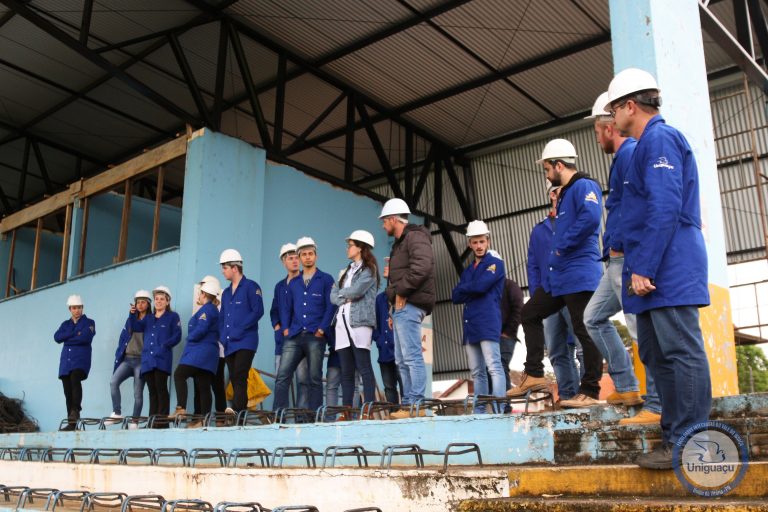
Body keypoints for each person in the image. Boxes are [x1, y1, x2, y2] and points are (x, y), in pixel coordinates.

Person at [606, 68, 711, 469]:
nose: (612, 118)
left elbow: (665, 207)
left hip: (667, 266)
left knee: (681, 352)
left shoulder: (661, 139)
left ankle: (690, 443)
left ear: (630, 105)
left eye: (615, 109)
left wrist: (644, 267)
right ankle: (674, 439)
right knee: (656, 352)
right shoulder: (643, 145)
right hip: (648, 268)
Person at [583, 91, 662, 424]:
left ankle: (656, 404)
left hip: (625, 259)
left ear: (607, 127)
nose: (598, 135)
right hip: (614, 261)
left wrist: (628, 252)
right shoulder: (623, 158)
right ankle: (628, 385)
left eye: (597, 129)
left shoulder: (629, 153)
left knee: (640, 329)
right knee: (593, 318)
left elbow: (638, 206)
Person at [509, 139, 604, 408]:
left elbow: (591, 219)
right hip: (559, 279)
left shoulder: (584, 185)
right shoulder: (565, 195)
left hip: (578, 275)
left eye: (547, 168)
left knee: (583, 330)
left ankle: (591, 390)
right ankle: (534, 373)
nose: (546, 173)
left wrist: (560, 247)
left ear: (559, 164)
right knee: (529, 313)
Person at [523, 186, 582, 401]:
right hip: (548, 295)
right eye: (555, 191)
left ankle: (586, 394)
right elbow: (533, 266)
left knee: (582, 345)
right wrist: (537, 293)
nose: (558, 194)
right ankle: (568, 396)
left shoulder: (576, 221)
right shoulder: (539, 229)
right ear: (551, 194)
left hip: (572, 291)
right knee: (557, 351)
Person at [380, 198, 436, 419]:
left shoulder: (415, 237)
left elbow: (422, 266)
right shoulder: (400, 243)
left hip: (411, 303)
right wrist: (393, 305)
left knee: (411, 357)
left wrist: (401, 292)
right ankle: (409, 404)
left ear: (394, 219)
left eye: (384, 220)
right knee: (401, 360)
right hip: (401, 306)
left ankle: (417, 405)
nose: (383, 225)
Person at [275, 237, 335, 414]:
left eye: (310, 254)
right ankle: (278, 416)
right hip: (294, 335)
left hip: (315, 336)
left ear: (316, 256)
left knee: (314, 378)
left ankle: (314, 417)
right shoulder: (294, 283)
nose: (307, 257)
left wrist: (322, 329)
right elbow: (285, 309)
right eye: (304, 254)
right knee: (282, 376)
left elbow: (331, 306)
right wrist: (285, 328)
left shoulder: (325, 279)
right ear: (299, 257)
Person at [451, 220, 506, 414]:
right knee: (477, 371)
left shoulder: (495, 264)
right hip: (470, 323)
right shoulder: (469, 270)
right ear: (469, 244)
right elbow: (455, 296)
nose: (479, 246)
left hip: (487, 320)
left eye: (482, 241)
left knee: (493, 367)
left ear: (488, 241)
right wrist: (471, 287)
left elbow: (480, 287)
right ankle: (480, 411)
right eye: (475, 242)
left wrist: (467, 287)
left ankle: (499, 409)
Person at [330, 230, 379, 418]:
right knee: (346, 371)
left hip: (360, 322)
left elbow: (357, 291)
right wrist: (343, 295)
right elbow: (333, 294)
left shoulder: (369, 270)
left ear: (360, 248)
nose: (347, 249)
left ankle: (368, 410)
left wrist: (342, 294)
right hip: (342, 323)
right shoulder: (346, 271)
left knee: (364, 366)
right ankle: (347, 411)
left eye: (350, 245)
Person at [219, 248, 264, 416]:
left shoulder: (251, 287)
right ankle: (240, 411)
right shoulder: (225, 293)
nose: (223, 271)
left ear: (234, 268)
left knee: (240, 373)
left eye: (224, 267)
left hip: (246, 340)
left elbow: (257, 311)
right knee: (235, 376)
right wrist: (222, 337)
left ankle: (238, 409)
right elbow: (222, 317)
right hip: (229, 342)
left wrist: (239, 329)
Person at [172, 278, 221, 425]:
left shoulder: (207, 309)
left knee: (179, 374)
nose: (198, 296)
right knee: (203, 385)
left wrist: (189, 338)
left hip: (200, 351)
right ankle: (202, 419)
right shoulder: (212, 309)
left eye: (200, 293)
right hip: (208, 354)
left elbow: (202, 328)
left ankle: (181, 408)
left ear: (205, 295)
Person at [131, 286, 181, 426]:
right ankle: (153, 420)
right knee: (152, 391)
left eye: (162, 299)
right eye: (156, 299)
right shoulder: (148, 318)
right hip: (148, 360)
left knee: (161, 388)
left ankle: (162, 420)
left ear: (167, 301)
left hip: (162, 359)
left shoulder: (172, 316)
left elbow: (177, 335)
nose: (158, 302)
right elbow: (135, 326)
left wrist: (164, 345)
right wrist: (132, 314)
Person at [270, 243, 309, 409]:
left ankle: (302, 417)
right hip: (283, 341)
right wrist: (278, 328)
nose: (294, 261)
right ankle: (280, 416)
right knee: (281, 378)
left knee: (303, 379)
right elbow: (274, 311)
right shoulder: (279, 286)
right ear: (283, 262)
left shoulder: (306, 281)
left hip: (301, 338)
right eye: (290, 258)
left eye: (296, 258)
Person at [54, 295, 95, 431]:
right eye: (74, 308)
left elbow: (85, 338)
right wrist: (74, 333)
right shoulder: (65, 324)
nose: (76, 310)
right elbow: (57, 337)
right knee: (67, 390)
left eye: (78, 307)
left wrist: (68, 337)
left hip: (80, 360)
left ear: (82, 308)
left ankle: (76, 410)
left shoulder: (89, 322)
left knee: (75, 379)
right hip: (66, 361)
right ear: (69, 309)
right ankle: (72, 423)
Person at [109, 290, 150, 423]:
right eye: (138, 302)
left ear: (148, 304)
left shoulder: (150, 319)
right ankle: (116, 412)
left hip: (141, 361)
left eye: (143, 302)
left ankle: (135, 420)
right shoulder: (130, 319)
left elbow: (138, 326)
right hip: (127, 359)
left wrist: (131, 315)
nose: (140, 305)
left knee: (137, 393)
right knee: (113, 382)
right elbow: (123, 337)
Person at [373, 291, 401, 404]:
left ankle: (406, 412)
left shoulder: (402, 294)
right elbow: (374, 322)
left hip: (399, 350)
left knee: (404, 384)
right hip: (384, 350)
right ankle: (392, 414)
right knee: (389, 387)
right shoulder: (380, 298)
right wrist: (378, 339)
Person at [496, 276, 524, 393]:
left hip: (505, 336)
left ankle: (505, 406)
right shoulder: (485, 287)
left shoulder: (509, 285)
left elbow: (519, 309)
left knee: (500, 366)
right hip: (489, 336)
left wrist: (508, 332)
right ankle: (495, 406)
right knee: (489, 370)